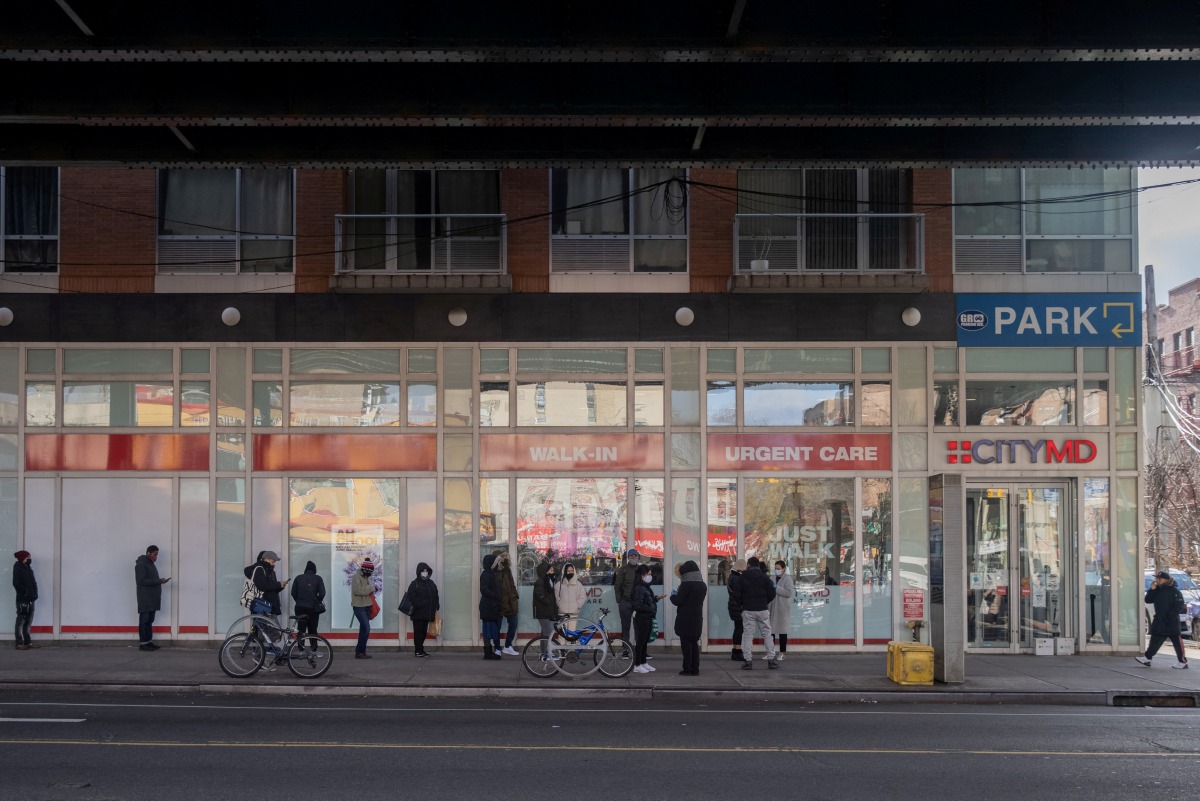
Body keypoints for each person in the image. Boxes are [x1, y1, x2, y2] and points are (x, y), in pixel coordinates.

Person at [1137, 570, 1189, 669]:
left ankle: (1182, 661)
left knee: (1177, 642)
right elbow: (1148, 600)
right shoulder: (1157, 590)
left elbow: (1180, 605)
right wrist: (1151, 590)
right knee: (1155, 639)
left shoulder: (1174, 591)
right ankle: (1147, 658)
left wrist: (1171, 615)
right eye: (1156, 578)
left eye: (1158, 578)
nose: (1156, 580)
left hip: (1171, 621)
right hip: (1159, 620)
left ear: (1165, 580)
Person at [737, 556, 778, 670]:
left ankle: (748, 661)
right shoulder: (765, 578)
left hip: (748, 609)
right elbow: (772, 593)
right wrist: (764, 601)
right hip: (762, 609)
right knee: (767, 634)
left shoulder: (742, 577)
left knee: (748, 635)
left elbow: (736, 594)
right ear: (758, 565)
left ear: (748, 565)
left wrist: (742, 603)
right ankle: (771, 660)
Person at [670, 559, 707, 676]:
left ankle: (687, 669)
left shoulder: (686, 585)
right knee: (694, 645)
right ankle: (695, 669)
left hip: (685, 619)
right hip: (697, 618)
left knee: (686, 646)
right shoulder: (702, 585)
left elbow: (678, 601)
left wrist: (673, 596)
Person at [135, 545, 170, 651]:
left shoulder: (150, 564)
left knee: (150, 620)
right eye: (155, 555)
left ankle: (148, 641)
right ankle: (143, 643)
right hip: (145, 598)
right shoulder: (141, 564)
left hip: (152, 598)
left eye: (157, 555)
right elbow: (141, 581)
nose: (156, 557)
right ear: (148, 553)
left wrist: (159, 581)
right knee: (144, 620)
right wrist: (159, 581)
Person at [631, 564, 665, 673]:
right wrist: (650, 609)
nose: (650, 576)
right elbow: (637, 605)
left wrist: (656, 599)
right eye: (647, 574)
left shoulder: (645, 587)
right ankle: (637, 665)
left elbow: (646, 601)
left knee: (644, 641)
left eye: (650, 574)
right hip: (642, 618)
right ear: (642, 575)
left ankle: (643, 662)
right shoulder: (639, 588)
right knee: (640, 642)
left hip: (647, 617)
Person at [405, 561, 440, 657]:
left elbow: (435, 594)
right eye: (423, 571)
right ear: (418, 572)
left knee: (424, 632)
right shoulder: (414, 583)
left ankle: (421, 650)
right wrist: (420, 604)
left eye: (426, 571)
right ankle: (418, 650)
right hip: (418, 613)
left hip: (428, 613)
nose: (425, 573)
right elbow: (411, 597)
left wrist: (436, 604)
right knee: (418, 632)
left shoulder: (431, 583)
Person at [290, 560, 326, 648]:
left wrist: (299, 601)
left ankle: (301, 648)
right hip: (313, 607)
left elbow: (293, 593)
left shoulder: (298, 578)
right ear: (315, 570)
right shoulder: (318, 578)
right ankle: (314, 649)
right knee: (312, 629)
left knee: (301, 628)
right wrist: (318, 601)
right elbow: (322, 593)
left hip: (299, 607)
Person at [532, 557, 560, 659]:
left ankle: (544, 653)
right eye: (550, 570)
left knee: (544, 633)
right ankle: (547, 653)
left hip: (545, 611)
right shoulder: (541, 581)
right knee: (548, 633)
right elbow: (540, 595)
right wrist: (548, 602)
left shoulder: (548, 581)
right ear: (545, 571)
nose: (552, 572)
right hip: (542, 611)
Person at [494, 550, 520, 656]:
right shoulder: (495, 570)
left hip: (510, 602)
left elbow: (512, 584)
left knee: (513, 624)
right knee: (497, 627)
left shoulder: (507, 569)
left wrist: (515, 595)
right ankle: (497, 648)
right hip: (499, 603)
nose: (505, 559)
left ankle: (507, 646)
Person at [768, 560, 794, 661]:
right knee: (770, 632)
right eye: (775, 569)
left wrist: (776, 588)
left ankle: (782, 652)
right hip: (772, 606)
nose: (776, 571)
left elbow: (788, 593)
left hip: (782, 607)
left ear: (783, 569)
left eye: (778, 569)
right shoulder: (772, 578)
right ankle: (771, 652)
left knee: (782, 631)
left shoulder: (788, 579)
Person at [613, 548, 641, 642]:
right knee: (625, 627)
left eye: (635, 556)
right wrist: (619, 601)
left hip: (638, 603)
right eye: (631, 556)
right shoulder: (623, 569)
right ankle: (625, 651)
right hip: (625, 602)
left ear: (638, 557)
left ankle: (640, 652)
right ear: (628, 558)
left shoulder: (640, 569)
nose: (633, 558)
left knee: (639, 627)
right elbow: (617, 586)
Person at [479, 553, 503, 660]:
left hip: (491, 606)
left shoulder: (491, 573)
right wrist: (496, 596)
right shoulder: (486, 574)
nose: (497, 565)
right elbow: (484, 589)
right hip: (488, 606)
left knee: (490, 628)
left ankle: (489, 651)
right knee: (488, 629)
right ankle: (487, 652)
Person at [351, 558, 375, 659]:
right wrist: (371, 588)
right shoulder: (356, 577)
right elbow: (358, 591)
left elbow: (366, 591)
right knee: (366, 628)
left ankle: (360, 652)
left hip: (366, 606)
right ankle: (360, 651)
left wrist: (371, 589)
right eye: (370, 571)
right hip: (358, 606)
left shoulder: (366, 577)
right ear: (365, 569)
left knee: (363, 629)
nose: (370, 574)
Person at [13, 550, 38, 651]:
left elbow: (33, 582)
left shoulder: (28, 568)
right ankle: (19, 643)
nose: (29, 559)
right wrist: (26, 593)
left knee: (28, 622)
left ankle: (28, 642)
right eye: (27, 557)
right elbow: (16, 584)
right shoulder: (18, 568)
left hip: (31, 599)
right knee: (20, 622)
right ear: (22, 558)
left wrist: (35, 594)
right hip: (23, 600)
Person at [727, 558, 746, 661]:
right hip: (738, 607)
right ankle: (738, 650)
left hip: (733, 606)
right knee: (739, 628)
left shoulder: (731, 576)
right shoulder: (737, 578)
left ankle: (735, 650)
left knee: (737, 628)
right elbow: (740, 594)